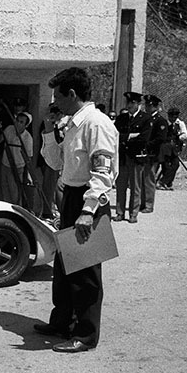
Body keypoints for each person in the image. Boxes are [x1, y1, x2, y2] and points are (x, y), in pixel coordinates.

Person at [37, 67, 118, 353]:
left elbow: (102, 172)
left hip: (89, 199)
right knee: (63, 266)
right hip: (72, 195)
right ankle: (62, 322)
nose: (55, 102)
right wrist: (49, 131)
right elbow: (56, 163)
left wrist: (88, 210)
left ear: (72, 94)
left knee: (85, 271)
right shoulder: (73, 124)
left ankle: (85, 335)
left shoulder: (97, 124)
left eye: (58, 96)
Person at [113, 92, 149, 223]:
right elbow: (115, 135)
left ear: (138, 103)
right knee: (120, 186)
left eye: (131, 103)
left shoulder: (145, 118)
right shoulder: (121, 118)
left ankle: (133, 214)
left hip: (135, 157)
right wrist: (130, 136)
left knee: (135, 187)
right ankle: (119, 212)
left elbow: (143, 139)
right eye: (127, 103)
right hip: (123, 157)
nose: (128, 105)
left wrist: (126, 137)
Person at [0, 111, 35, 208]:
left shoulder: (28, 138)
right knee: (5, 191)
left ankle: (16, 211)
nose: (18, 123)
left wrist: (28, 174)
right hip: (5, 164)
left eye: (21, 122)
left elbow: (29, 157)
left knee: (15, 193)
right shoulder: (9, 129)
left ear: (26, 125)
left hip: (17, 167)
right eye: (17, 120)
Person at [142, 94, 170, 213]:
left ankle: (149, 204)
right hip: (143, 153)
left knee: (149, 179)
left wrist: (146, 144)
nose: (147, 107)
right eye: (146, 105)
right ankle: (142, 203)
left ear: (154, 106)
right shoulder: (146, 119)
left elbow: (160, 138)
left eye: (149, 105)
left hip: (153, 154)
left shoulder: (160, 120)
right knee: (142, 179)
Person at [157, 107, 187, 190]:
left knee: (175, 164)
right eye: (171, 117)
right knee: (166, 166)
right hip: (165, 148)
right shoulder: (164, 123)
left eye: (175, 117)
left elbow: (185, 134)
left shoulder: (180, 124)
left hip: (174, 148)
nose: (173, 119)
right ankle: (167, 183)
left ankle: (163, 181)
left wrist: (179, 137)